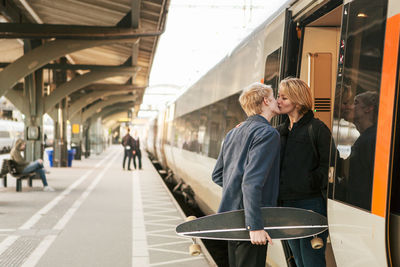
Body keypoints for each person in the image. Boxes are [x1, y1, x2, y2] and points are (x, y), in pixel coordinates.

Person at [212, 82, 280, 267]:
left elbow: (218, 175)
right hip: (251, 218)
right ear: (266, 101)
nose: (277, 102)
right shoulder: (268, 133)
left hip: (231, 217)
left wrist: (236, 193)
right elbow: (251, 182)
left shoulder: (233, 132)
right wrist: (255, 226)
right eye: (274, 98)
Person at [277, 77, 332, 267]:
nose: (278, 101)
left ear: (298, 100)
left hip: (310, 204)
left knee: (311, 261)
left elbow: (330, 165)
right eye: (278, 97)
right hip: (286, 205)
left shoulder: (317, 129)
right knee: (298, 261)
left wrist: (310, 182)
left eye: (284, 98)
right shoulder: (280, 131)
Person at [344, 91, 378, 210]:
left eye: (355, 103)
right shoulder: (368, 138)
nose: (349, 107)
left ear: (369, 108)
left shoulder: (371, 140)